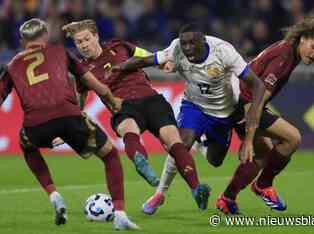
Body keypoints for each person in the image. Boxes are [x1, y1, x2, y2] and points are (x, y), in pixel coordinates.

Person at [113, 23, 266, 215]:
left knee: (215, 160)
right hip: (194, 106)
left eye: (192, 43)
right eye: (184, 44)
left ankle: (201, 144)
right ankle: (159, 194)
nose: (187, 48)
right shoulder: (176, 48)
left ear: (203, 40)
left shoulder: (223, 52)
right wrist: (119, 67)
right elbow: (146, 60)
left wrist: (253, 112)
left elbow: (257, 85)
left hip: (224, 113)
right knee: (179, 145)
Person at [0, 18, 138, 230]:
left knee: (27, 145)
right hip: (69, 115)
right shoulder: (60, 51)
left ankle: (54, 194)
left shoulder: (12, 65)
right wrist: (111, 99)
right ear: (45, 35)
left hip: (35, 123)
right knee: (110, 155)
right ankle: (120, 213)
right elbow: (91, 81)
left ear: (22, 40)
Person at [62, 20, 211, 211]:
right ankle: (142, 162)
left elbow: (146, 57)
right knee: (129, 129)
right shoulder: (82, 70)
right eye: (78, 42)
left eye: (86, 39)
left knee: (174, 142)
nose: (83, 45)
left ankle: (196, 189)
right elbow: (79, 103)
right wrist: (69, 124)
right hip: (123, 106)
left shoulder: (119, 46)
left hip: (151, 99)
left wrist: (166, 63)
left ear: (96, 36)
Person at [215, 14, 314, 215]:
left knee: (264, 155)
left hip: (241, 101)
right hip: (245, 104)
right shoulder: (284, 57)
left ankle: (227, 198)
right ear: (303, 38)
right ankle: (263, 185)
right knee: (293, 138)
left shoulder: (288, 49)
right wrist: (248, 134)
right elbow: (259, 96)